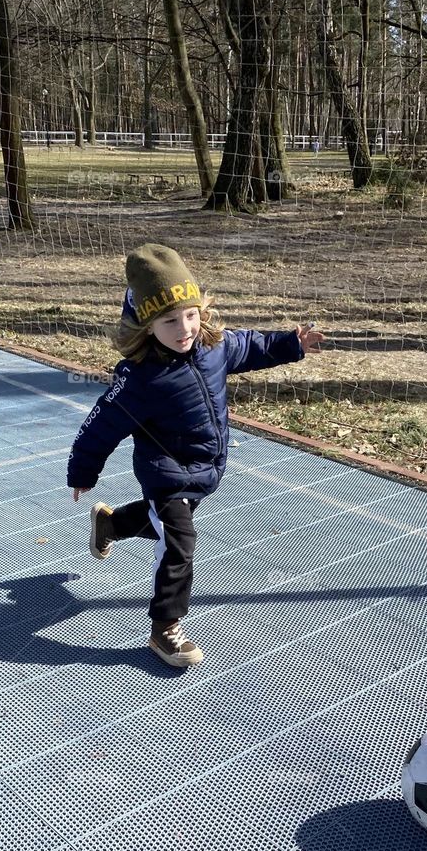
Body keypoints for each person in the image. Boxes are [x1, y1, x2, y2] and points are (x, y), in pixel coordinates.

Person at [67, 242, 325, 668]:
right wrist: (83, 470)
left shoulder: (212, 347)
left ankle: (110, 523)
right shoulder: (139, 379)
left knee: (165, 527)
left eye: (190, 314)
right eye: (169, 320)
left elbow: (252, 346)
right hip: (165, 474)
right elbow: (100, 426)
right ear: (146, 326)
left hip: (204, 468)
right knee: (179, 545)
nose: (184, 327)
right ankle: (165, 628)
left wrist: (291, 343)